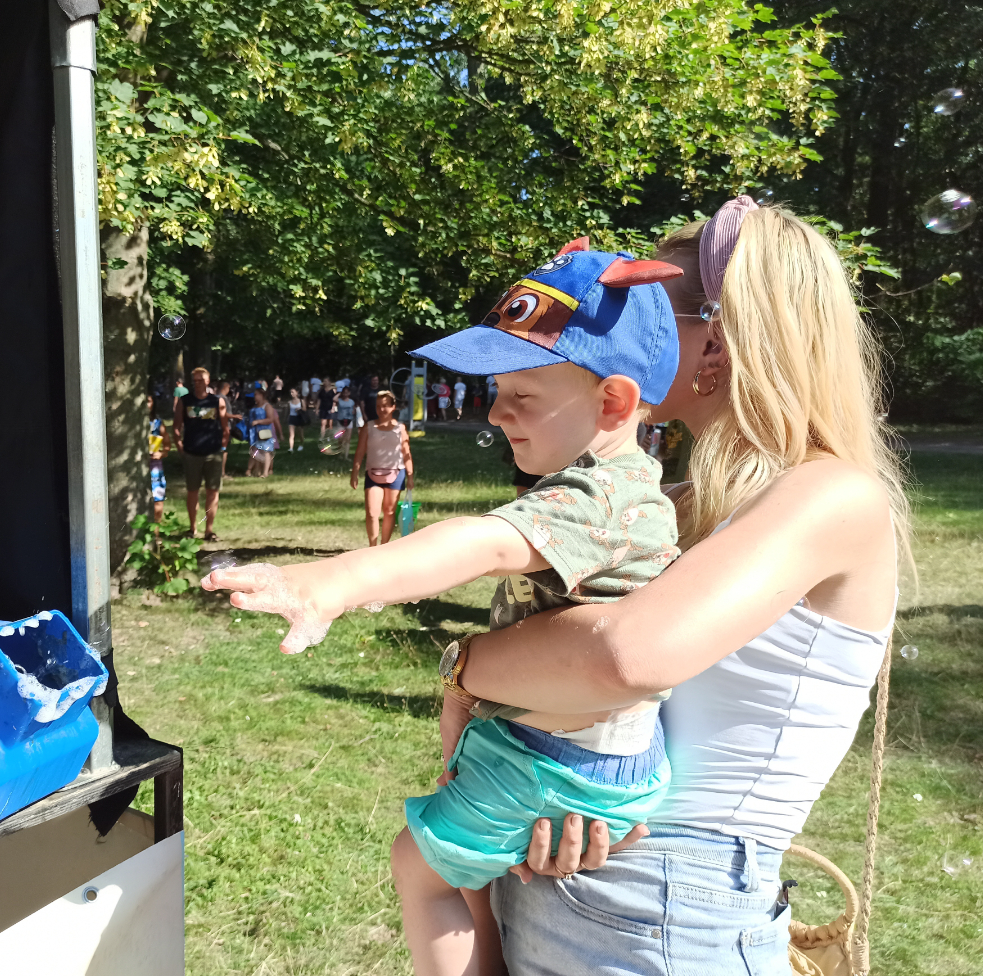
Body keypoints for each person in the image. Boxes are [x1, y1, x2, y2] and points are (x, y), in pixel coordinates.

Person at [440, 198, 907, 974]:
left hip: (668, 905)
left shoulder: (832, 496)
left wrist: (464, 668)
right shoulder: (673, 507)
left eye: (655, 306)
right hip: (581, 877)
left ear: (718, 342)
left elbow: (622, 655)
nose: (628, 324)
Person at [203, 242, 686, 976]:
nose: (495, 413)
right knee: (469, 878)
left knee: (416, 868)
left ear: (614, 402)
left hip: (556, 761)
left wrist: (333, 582)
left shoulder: (600, 497)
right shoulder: (618, 487)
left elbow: (479, 543)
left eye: (521, 394)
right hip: (581, 754)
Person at [172, 366, 231, 541]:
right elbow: (176, 427)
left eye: (201, 380)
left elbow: (225, 427)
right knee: (193, 491)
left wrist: (222, 446)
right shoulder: (185, 401)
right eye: (195, 380)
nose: (198, 383)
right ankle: (192, 528)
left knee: (213, 492)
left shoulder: (217, 401)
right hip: (191, 453)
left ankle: (209, 530)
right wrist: (180, 446)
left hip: (213, 453)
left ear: (207, 381)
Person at [349, 391, 413, 546]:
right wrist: (355, 473)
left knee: (389, 512)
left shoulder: (400, 428)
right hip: (373, 474)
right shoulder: (368, 427)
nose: (381, 409)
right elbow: (360, 451)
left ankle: (384, 546)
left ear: (393, 407)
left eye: (385, 406)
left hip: (396, 473)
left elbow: (406, 453)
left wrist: (410, 476)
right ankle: (372, 546)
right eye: (378, 406)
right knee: (372, 513)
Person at [246, 389, 280, 478]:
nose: (255, 396)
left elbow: (270, 419)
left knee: (266, 451)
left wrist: (258, 422)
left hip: (265, 433)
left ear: (262, 395)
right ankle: (257, 471)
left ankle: (265, 472)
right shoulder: (255, 406)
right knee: (256, 451)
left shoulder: (267, 406)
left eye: (256, 394)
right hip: (255, 433)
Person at [146, 394, 167, 522]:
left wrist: (161, 453)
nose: (146, 405)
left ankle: (156, 534)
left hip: (154, 466)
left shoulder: (157, 423)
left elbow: (168, 445)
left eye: (148, 401)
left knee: (157, 499)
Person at [334, 386, 358, 459]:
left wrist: (354, 411)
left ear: (349, 393)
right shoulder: (339, 400)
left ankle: (346, 456)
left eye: (347, 392)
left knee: (348, 439)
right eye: (344, 392)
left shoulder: (352, 401)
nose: (345, 394)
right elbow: (334, 399)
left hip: (349, 420)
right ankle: (340, 454)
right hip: (340, 420)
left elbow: (354, 409)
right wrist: (339, 393)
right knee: (340, 438)